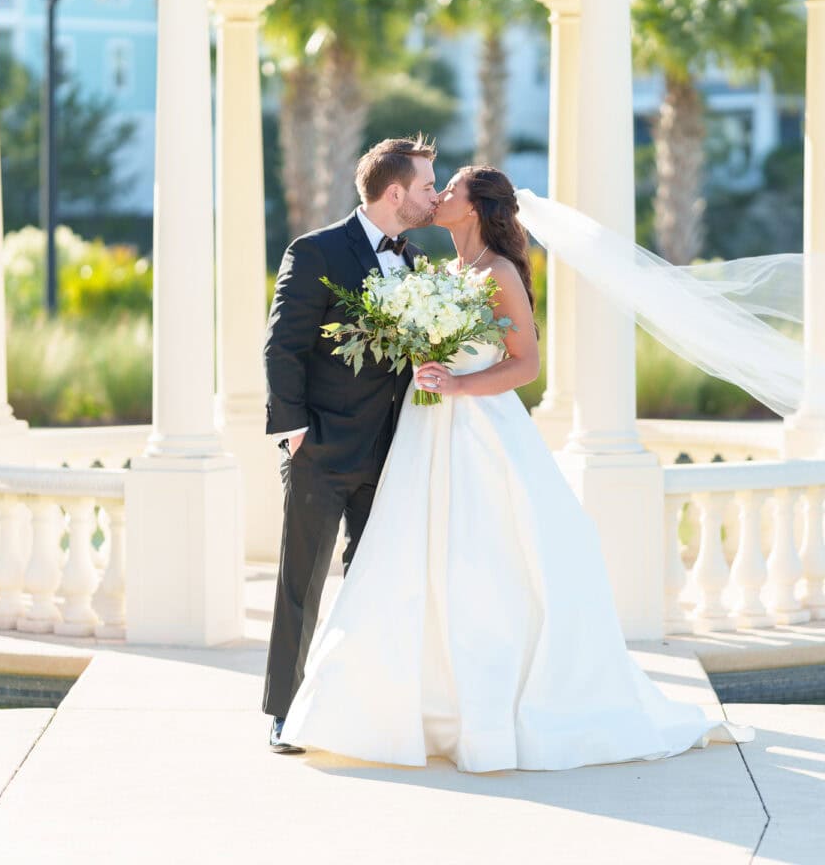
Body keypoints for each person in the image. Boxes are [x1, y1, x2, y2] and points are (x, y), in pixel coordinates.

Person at [277, 165, 753, 772]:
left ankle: (488, 710)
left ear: (473, 209)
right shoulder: (436, 272)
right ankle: (409, 708)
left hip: (480, 433)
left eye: (449, 190)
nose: (440, 196)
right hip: (423, 433)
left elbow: (526, 366)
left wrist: (458, 381)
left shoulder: (498, 273)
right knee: (413, 561)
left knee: (485, 563)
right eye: (436, 187)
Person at [260, 136, 442, 754]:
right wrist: (294, 433)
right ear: (395, 193)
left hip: (392, 451)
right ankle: (285, 713)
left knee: (374, 582)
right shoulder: (313, 251)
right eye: (425, 187)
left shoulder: (414, 262)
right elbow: (281, 345)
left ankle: (358, 707)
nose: (433, 197)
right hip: (321, 449)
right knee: (300, 583)